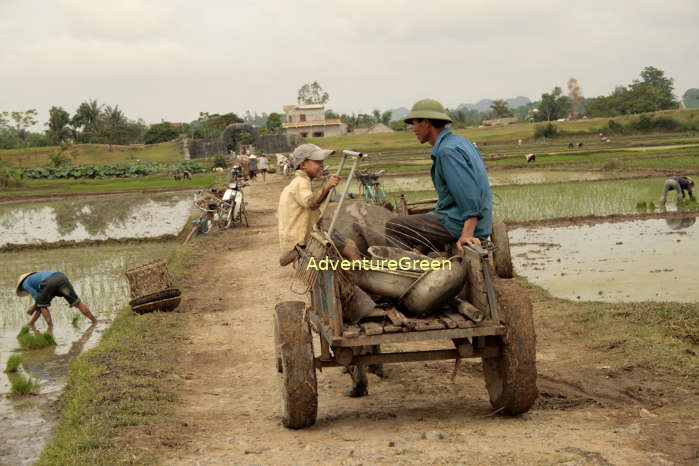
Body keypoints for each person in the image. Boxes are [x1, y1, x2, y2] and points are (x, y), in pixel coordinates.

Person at [386, 98, 493, 254]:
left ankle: (406, 274)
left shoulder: (447, 152)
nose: (413, 129)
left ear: (426, 123)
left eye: (415, 123)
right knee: (423, 221)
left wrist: (467, 233)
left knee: (394, 227)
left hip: (457, 222)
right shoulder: (460, 142)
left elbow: (467, 192)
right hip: (466, 218)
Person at [277, 144, 362, 266]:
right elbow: (311, 203)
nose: (321, 165)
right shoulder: (301, 183)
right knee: (351, 247)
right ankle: (358, 278)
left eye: (322, 162)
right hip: (305, 237)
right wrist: (327, 186)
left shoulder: (294, 183)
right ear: (303, 164)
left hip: (295, 236)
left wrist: (326, 189)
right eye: (317, 162)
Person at [16, 271, 97, 332]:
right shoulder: (38, 277)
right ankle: (94, 321)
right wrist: (32, 321)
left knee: (43, 306)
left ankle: (50, 328)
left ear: (21, 287)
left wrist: (33, 308)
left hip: (49, 282)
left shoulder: (25, 284)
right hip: (61, 277)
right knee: (77, 303)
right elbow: (40, 304)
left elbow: (39, 301)